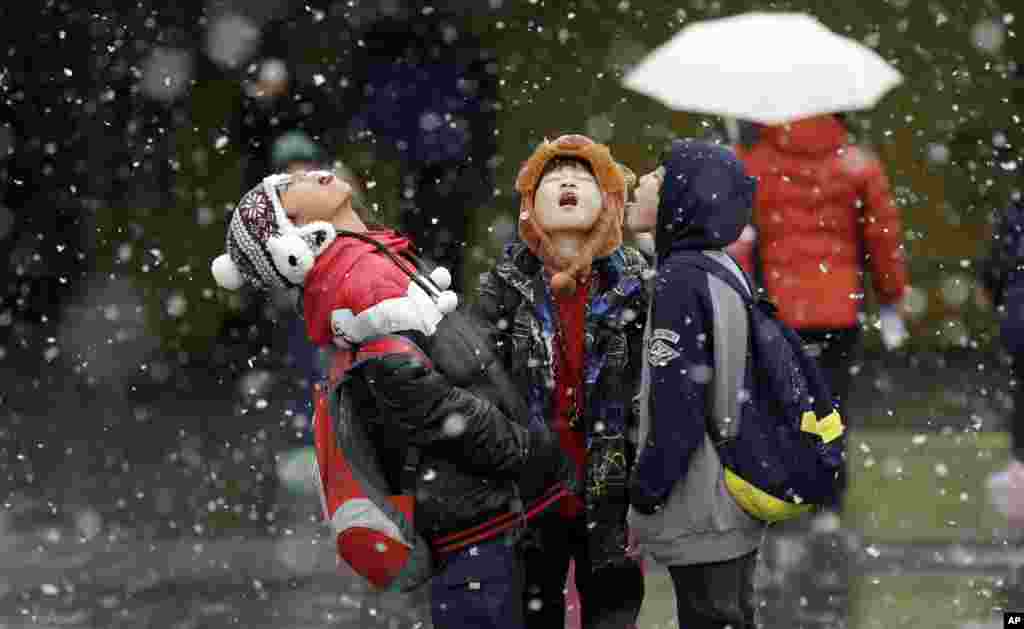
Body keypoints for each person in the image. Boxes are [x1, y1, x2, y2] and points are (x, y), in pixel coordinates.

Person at [210, 169, 569, 629]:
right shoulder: (358, 285)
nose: (310, 173)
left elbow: (461, 361)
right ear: (289, 227)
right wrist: (528, 451)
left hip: (492, 520)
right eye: (286, 186)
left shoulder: (372, 261)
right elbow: (433, 408)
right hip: (478, 529)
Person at [472, 134, 648, 629]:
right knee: (534, 610)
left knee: (612, 613)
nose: (567, 181)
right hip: (532, 490)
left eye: (583, 177)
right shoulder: (504, 283)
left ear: (608, 200)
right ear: (529, 205)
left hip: (612, 491)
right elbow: (477, 378)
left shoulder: (636, 283)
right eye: (552, 178)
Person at [624, 139, 765, 629]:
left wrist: (643, 494)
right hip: (733, 501)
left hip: (702, 506)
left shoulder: (679, 281)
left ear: (681, 199)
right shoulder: (722, 267)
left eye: (656, 179)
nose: (638, 183)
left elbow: (678, 410)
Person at [734, 114, 911, 419]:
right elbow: (882, 237)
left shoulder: (751, 161)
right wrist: (891, 295)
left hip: (776, 305)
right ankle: (829, 462)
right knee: (831, 413)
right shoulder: (858, 164)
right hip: (839, 309)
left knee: (780, 414)